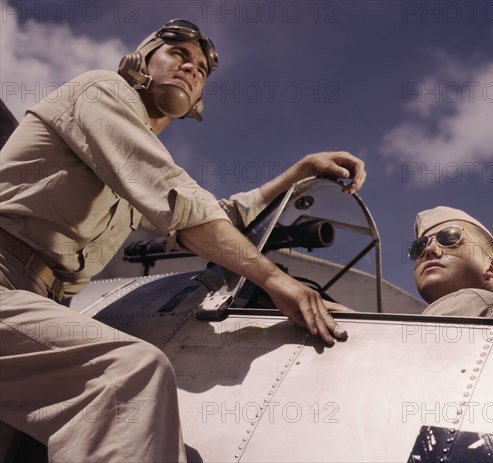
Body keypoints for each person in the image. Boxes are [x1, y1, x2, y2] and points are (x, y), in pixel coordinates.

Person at [0, 19, 365, 462]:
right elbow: (183, 208)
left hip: (34, 303)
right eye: (178, 55)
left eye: (200, 70)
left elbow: (212, 219)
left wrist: (296, 174)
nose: (191, 69)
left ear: (197, 101)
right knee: (125, 375)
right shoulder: (102, 91)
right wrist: (273, 279)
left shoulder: (129, 179)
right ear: (142, 59)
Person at [408, 206, 493, 317]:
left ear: (492, 267)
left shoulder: (478, 302)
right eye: (419, 247)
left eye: (449, 238)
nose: (428, 250)